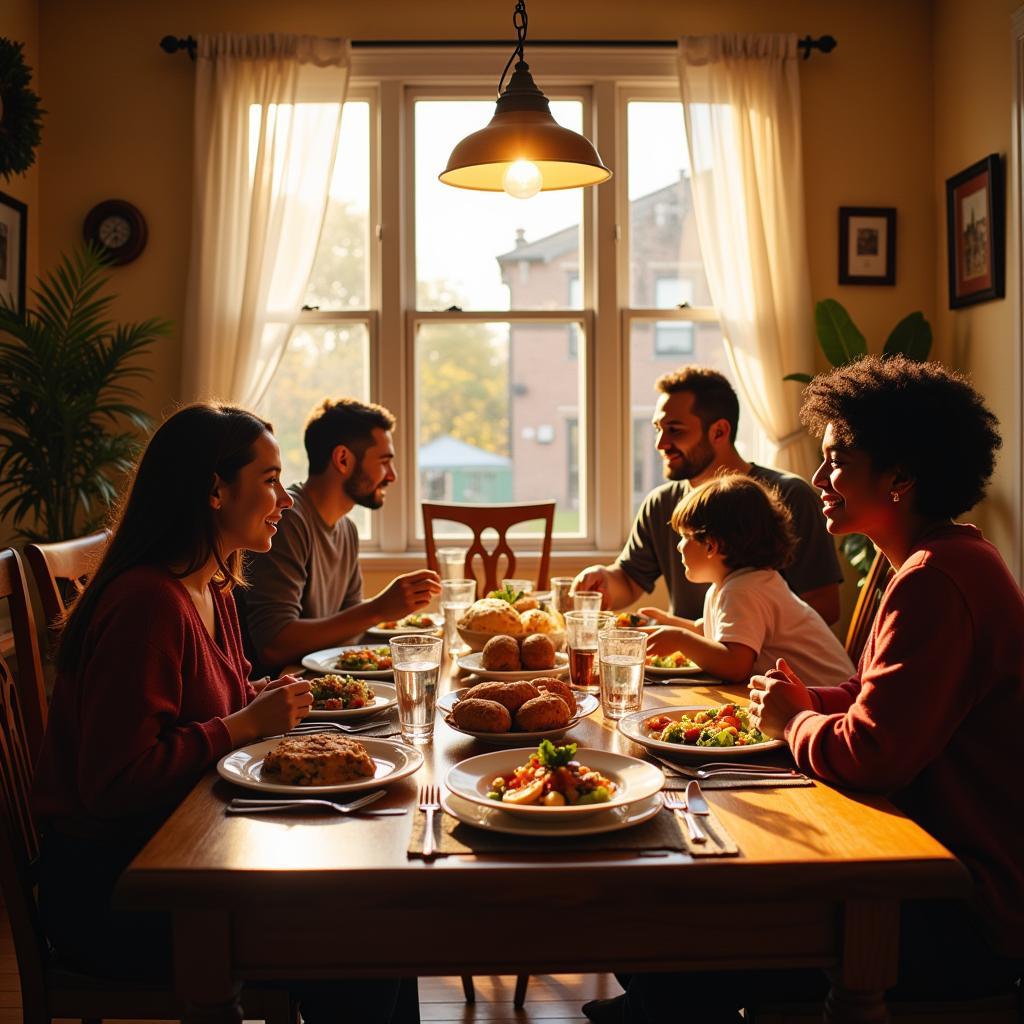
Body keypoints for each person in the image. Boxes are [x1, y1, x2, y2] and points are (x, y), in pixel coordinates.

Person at [585, 357, 1023, 1024]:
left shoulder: (936, 578)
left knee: (668, 924)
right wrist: (806, 701)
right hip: (918, 865)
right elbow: (870, 692)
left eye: (838, 460)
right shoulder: (930, 559)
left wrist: (792, 722)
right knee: (664, 912)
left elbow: (873, 754)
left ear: (900, 478)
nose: (818, 479)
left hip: (960, 906)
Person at [32, 403, 412, 1023]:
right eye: (268, 481)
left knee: (380, 911)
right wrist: (242, 725)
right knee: (368, 933)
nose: (284, 501)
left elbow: (219, 699)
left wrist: (265, 696)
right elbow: (113, 782)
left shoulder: (211, 588)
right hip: (117, 889)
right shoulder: (147, 606)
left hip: (190, 853)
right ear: (213, 490)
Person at [573, 367, 842, 625]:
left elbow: (825, 606)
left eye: (675, 430)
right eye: (658, 429)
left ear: (719, 432)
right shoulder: (661, 503)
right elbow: (630, 581)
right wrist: (603, 580)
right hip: (682, 665)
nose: (660, 444)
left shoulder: (789, 495)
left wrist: (729, 634)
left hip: (763, 668)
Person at [243, 398, 440, 675]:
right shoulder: (286, 521)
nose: (392, 476)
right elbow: (274, 644)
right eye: (384, 462)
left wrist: (392, 621)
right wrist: (378, 609)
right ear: (343, 459)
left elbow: (351, 630)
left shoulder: (347, 529)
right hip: (282, 696)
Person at [644, 475, 853, 683]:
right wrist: (669, 625)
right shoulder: (737, 585)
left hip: (830, 702)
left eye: (685, 536)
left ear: (711, 544)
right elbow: (714, 632)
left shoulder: (743, 590)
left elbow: (735, 665)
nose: (679, 546)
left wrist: (680, 640)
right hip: (816, 699)